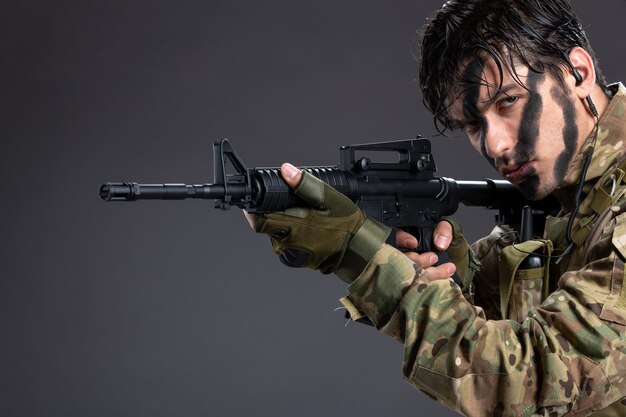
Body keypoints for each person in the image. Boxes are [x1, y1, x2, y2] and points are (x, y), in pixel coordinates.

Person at [246, 0, 626, 415]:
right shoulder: (563, 197)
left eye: (508, 102)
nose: (496, 145)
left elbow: (530, 380)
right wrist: (459, 275)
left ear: (578, 73)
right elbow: (510, 328)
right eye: (473, 125)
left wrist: (367, 256)